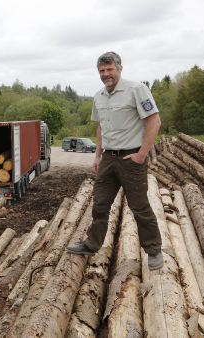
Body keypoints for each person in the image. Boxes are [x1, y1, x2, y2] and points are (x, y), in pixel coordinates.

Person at [66, 52, 164, 271]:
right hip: (109, 158)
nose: (106, 74)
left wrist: (141, 155)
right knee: (100, 204)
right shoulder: (99, 96)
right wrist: (98, 155)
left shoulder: (136, 90)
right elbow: (100, 127)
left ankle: (154, 250)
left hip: (132, 158)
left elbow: (154, 121)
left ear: (119, 68)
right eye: (102, 71)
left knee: (139, 207)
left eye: (110, 69)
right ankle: (92, 244)